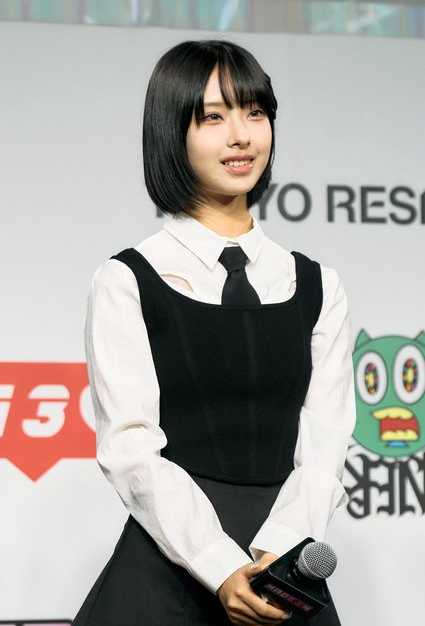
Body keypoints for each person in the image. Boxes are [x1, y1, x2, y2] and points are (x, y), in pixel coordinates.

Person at [72, 40, 355, 626]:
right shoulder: (127, 280)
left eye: (255, 113)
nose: (242, 136)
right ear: (171, 131)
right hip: (169, 572)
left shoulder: (317, 284)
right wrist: (221, 565)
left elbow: (326, 446)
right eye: (213, 117)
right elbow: (130, 448)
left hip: (283, 571)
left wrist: (280, 550)